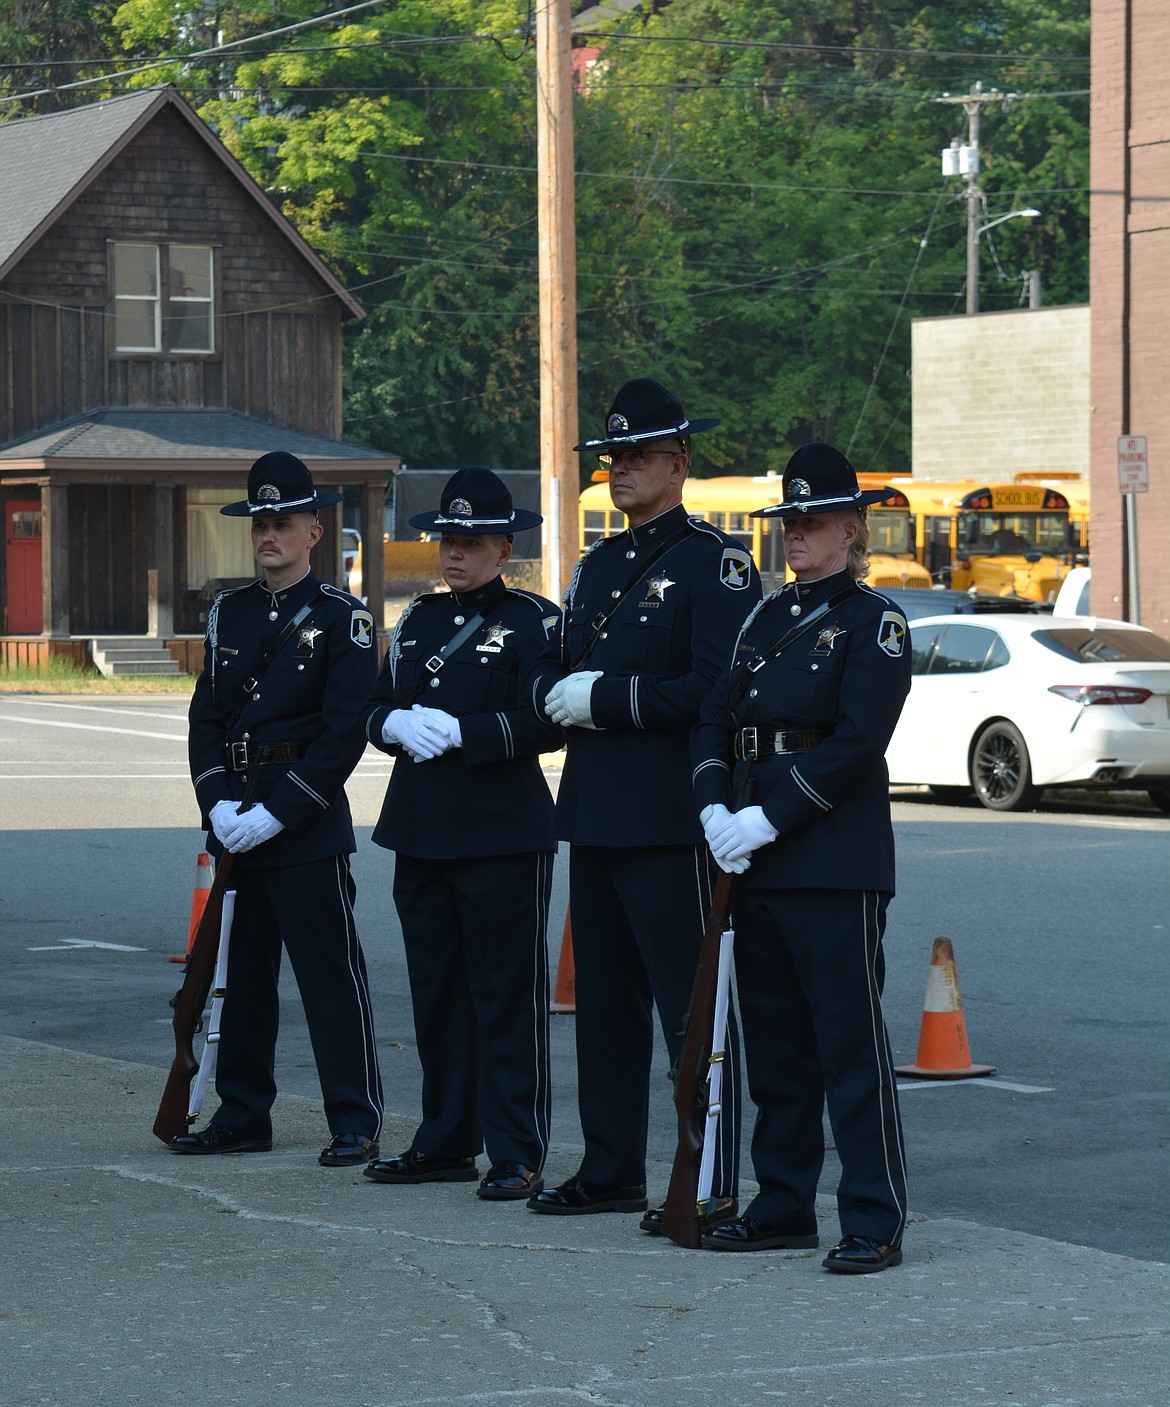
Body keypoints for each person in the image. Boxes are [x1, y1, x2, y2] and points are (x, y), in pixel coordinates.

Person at [526, 377, 762, 1229]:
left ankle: (707, 1176)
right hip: (594, 812)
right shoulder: (594, 565)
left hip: (670, 817)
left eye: (635, 456)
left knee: (688, 1008)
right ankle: (610, 1164)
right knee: (604, 1010)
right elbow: (554, 664)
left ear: (679, 462)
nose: (618, 469)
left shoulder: (716, 562)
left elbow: (714, 690)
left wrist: (608, 699)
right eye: (610, 456)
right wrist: (558, 693)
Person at [691, 441, 912, 1273]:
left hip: (833, 857)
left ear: (851, 530)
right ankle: (782, 1203)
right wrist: (713, 802)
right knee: (778, 1048)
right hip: (756, 855)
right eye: (789, 520)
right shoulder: (764, 617)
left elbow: (857, 741)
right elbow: (715, 716)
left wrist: (768, 817)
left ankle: (873, 1215)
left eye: (813, 521)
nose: (796, 535)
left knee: (848, 1045)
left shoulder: (873, 623)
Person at [173, 451, 383, 1167]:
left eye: (283, 522)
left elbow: (342, 732)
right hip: (236, 819)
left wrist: (279, 812)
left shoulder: (344, 620)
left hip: (305, 826)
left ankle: (355, 1118)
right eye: (260, 522)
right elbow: (205, 719)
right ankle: (241, 1111)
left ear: (314, 530)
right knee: (242, 979)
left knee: (330, 980)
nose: (269, 534)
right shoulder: (228, 611)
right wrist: (218, 801)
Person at [360, 468, 563, 1201]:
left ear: (503, 546)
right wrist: (392, 723)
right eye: (447, 539)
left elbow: (549, 718)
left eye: (472, 542)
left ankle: (516, 1149)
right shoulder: (416, 620)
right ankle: (445, 1138)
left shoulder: (536, 622)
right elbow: (374, 707)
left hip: (501, 831)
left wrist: (469, 732)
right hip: (421, 829)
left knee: (505, 997)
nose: (455, 554)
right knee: (436, 995)